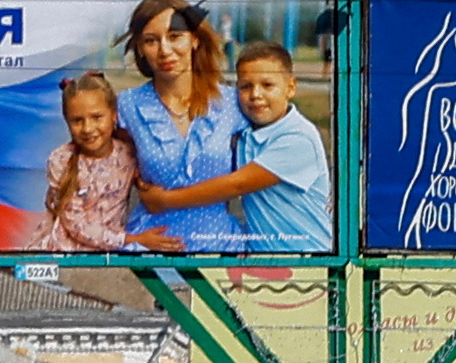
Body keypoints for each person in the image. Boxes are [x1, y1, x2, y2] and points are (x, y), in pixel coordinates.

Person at [137, 41, 338, 257]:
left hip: (308, 258)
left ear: (290, 87)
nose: (256, 94)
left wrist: (165, 201)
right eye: (245, 86)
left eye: (268, 85)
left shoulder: (298, 138)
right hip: (263, 257)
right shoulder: (247, 133)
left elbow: (237, 185)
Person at [111, 0, 243, 255]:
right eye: (151, 40)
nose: (164, 50)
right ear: (139, 47)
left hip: (220, 248)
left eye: (174, 36)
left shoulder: (232, 103)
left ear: (194, 39)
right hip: (152, 251)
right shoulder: (127, 106)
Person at [30, 70, 148, 255]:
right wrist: (129, 239)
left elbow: (148, 185)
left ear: (113, 116)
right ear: (67, 122)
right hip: (60, 254)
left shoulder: (129, 154)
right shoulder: (61, 160)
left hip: (106, 256)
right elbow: (76, 225)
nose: (87, 128)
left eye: (97, 117)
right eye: (77, 120)